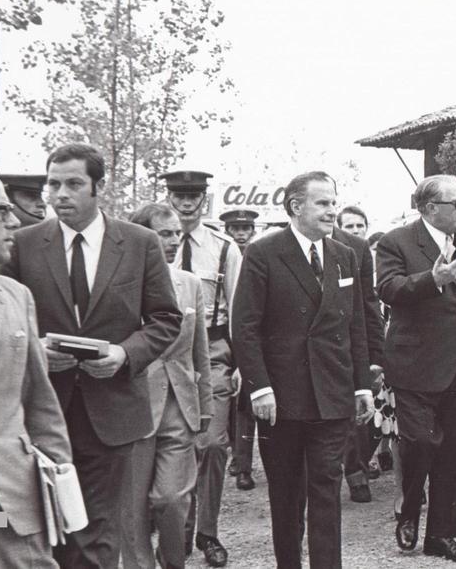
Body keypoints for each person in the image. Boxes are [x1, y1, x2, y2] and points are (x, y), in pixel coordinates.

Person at [0, 143, 182, 568]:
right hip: (41, 414)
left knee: (96, 533)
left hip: (112, 410)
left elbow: (166, 319)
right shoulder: (23, 246)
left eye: (73, 184)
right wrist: (35, 351)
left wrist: (124, 352)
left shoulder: (140, 244)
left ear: (99, 187)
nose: (61, 194)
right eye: (53, 184)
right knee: (46, 528)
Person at [230, 171, 379, 568]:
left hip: (332, 395)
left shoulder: (346, 255)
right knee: (287, 496)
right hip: (282, 398)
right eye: (324, 203)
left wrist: (361, 385)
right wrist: (260, 388)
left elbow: (356, 326)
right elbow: (244, 328)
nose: (333, 210)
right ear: (296, 207)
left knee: (327, 493)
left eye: (334, 202)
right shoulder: (263, 253)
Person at [376, 175, 456, 563]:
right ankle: (409, 506)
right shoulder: (398, 241)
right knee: (422, 442)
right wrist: (433, 279)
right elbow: (388, 289)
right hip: (415, 366)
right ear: (430, 209)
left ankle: (441, 535)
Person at [0, 171, 73, 568]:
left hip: (4, 502)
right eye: (1, 210)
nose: (14, 221)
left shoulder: (15, 297)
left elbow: (38, 398)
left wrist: (61, 474)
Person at [121, 203, 212, 569]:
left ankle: (174, 563)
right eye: (165, 234)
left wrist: (206, 408)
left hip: (180, 406)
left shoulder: (189, 284)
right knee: (132, 510)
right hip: (132, 409)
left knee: (172, 500)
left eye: (177, 233)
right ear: (143, 238)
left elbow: (200, 353)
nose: (174, 240)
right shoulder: (120, 285)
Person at [160, 169, 241, 568]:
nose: (186, 203)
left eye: (194, 196)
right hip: (160, 355)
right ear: (169, 197)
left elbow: (242, 312)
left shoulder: (225, 248)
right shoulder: (150, 242)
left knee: (211, 444)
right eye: (179, 195)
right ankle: (176, 534)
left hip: (213, 352)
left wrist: (244, 365)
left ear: (204, 200)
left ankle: (206, 531)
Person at [332, 215, 387, 505]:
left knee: (358, 411)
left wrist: (376, 356)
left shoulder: (356, 248)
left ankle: (356, 472)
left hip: (350, 342)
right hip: (311, 350)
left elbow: (368, 304)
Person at [219, 208, 259, 493]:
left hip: (255, 339)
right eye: (236, 229)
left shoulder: (262, 255)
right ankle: (241, 464)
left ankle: (244, 464)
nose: (241, 234)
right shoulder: (225, 256)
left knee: (250, 401)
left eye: (246, 229)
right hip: (227, 340)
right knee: (238, 406)